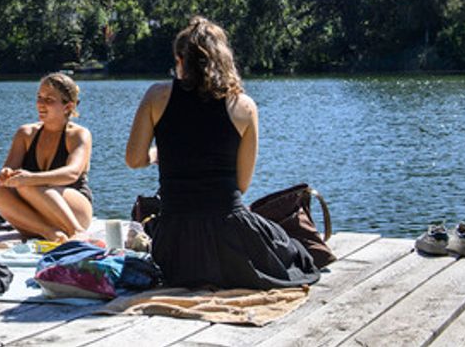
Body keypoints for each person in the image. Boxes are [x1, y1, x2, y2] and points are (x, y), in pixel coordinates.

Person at [125, 16, 320, 289]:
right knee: (295, 253)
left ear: (180, 60)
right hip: (231, 238)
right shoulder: (244, 106)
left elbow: (134, 160)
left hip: (175, 243)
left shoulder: (157, 96)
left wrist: (158, 154)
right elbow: (241, 185)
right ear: (224, 60)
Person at [0, 73, 93, 241]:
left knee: (27, 184)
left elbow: (72, 173)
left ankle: (76, 232)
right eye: (39, 97)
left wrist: (30, 178)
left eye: (49, 100)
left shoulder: (78, 135)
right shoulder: (25, 133)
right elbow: (9, 171)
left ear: (68, 106)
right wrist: (6, 173)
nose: (41, 104)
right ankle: (49, 232)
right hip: (36, 216)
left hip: (74, 211)